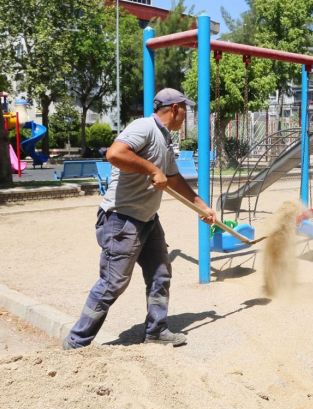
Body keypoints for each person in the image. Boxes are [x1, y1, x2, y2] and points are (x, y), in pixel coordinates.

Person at [63, 88, 216, 350]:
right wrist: (152, 168)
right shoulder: (144, 127)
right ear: (175, 108)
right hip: (121, 219)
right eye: (186, 110)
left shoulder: (165, 138)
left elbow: (174, 179)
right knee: (113, 282)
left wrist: (203, 207)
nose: (187, 116)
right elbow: (114, 154)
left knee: (160, 274)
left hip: (147, 219)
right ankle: (77, 342)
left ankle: (156, 330)